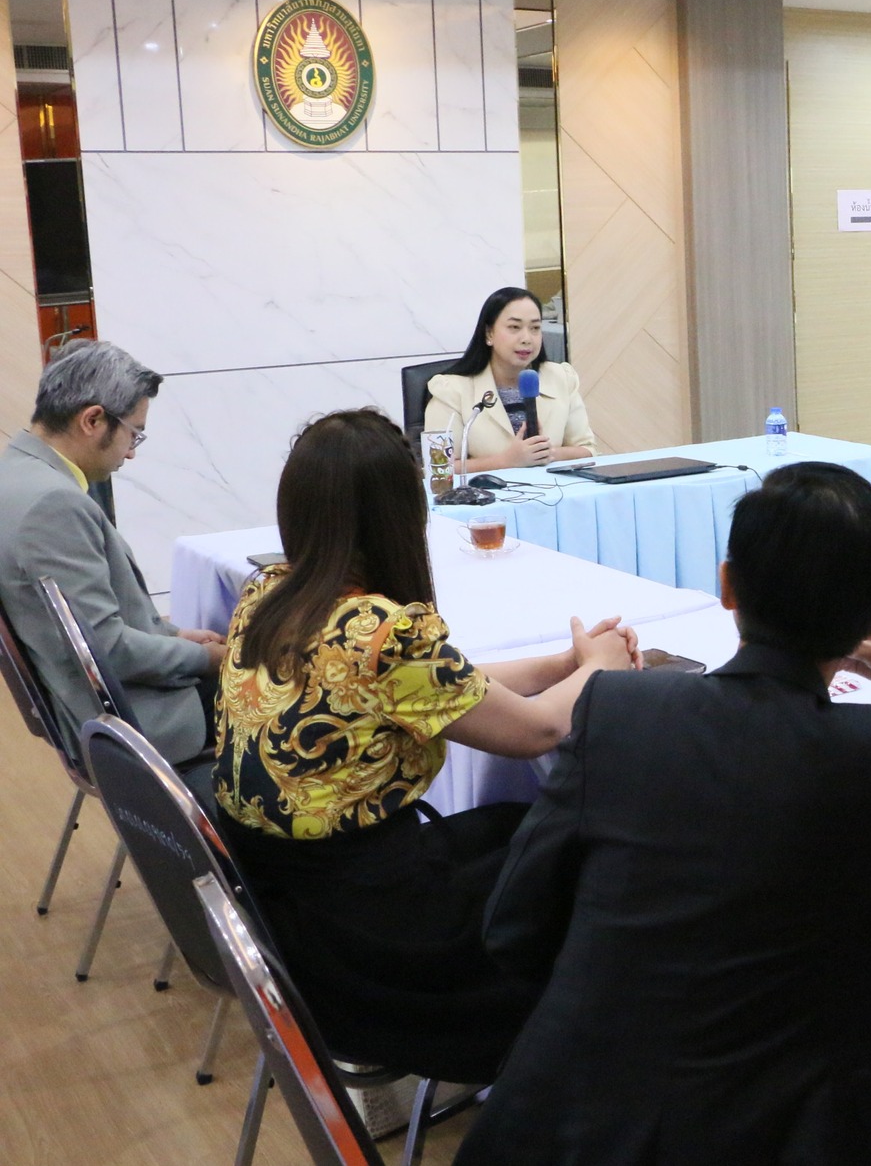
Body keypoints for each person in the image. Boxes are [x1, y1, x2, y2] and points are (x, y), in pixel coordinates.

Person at [456, 463, 871, 1165]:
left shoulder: (617, 709)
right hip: (778, 1130)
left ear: (727, 585)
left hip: (561, 1119)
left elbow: (514, 925)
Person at [212, 409, 638, 1084]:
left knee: (519, 827)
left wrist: (564, 664)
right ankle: (582, 1062)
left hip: (291, 914)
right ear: (398, 515)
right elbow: (537, 732)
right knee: (586, 852)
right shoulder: (382, 632)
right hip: (380, 938)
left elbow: (446, 688)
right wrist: (601, 667)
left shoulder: (267, 594)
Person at [0, 340, 220, 764]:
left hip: (94, 706)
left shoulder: (14, 473)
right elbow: (106, 649)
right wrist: (204, 658)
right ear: (93, 420)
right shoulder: (53, 504)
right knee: (292, 693)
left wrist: (170, 636)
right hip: (134, 723)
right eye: (133, 433)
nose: (132, 452)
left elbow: (95, 622)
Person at [427, 287, 597, 472]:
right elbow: (438, 468)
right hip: (487, 490)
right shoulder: (450, 390)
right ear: (489, 333)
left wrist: (546, 453)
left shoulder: (561, 378)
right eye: (514, 327)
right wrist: (505, 461)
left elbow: (587, 450)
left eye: (535, 328)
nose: (526, 339)